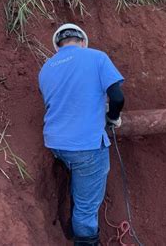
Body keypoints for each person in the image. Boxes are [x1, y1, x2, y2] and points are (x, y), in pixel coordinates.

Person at [38, 23, 124, 246]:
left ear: (58, 47)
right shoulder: (96, 57)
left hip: (56, 143)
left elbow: (62, 101)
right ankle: (85, 240)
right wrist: (112, 118)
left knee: (80, 180)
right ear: (83, 42)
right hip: (86, 147)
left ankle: (73, 214)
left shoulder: (46, 68)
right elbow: (117, 97)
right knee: (87, 209)